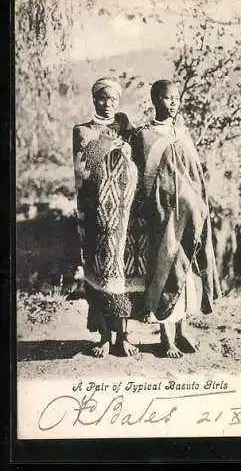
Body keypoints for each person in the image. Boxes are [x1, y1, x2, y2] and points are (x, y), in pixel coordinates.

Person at [133, 80, 221, 358]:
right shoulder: (145, 136)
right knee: (166, 267)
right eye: (167, 98)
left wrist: (197, 202)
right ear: (155, 100)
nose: (173, 103)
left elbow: (195, 172)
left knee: (185, 266)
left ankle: (181, 331)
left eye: (175, 98)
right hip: (162, 215)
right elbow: (142, 178)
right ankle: (165, 337)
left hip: (189, 215)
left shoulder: (182, 132)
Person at [72, 77, 140, 357]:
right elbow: (81, 171)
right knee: (99, 273)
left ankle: (123, 336)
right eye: (103, 98)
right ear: (94, 99)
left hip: (125, 213)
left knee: (121, 273)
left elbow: (138, 163)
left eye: (113, 99)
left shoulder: (126, 129)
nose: (108, 104)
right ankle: (103, 336)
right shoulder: (82, 131)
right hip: (95, 214)